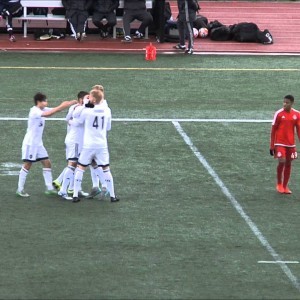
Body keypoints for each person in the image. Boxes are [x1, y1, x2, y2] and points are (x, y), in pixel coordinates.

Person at [16, 93, 78, 198]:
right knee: (27, 164)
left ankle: (49, 188)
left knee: (47, 163)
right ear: (39, 102)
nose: (46, 102)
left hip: (38, 144)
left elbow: (57, 109)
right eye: (45, 101)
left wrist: (71, 104)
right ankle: (20, 189)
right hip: (30, 144)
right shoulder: (34, 111)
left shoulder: (42, 109)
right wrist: (64, 106)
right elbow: (50, 113)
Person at [69, 89, 119, 203]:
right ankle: (113, 196)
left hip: (89, 145)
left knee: (80, 168)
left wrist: (85, 106)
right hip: (102, 145)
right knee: (106, 169)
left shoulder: (87, 111)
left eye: (90, 97)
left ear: (94, 99)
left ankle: (75, 195)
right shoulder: (107, 111)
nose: (88, 98)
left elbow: (78, 119)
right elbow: (108, 127)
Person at [53, 91, 90, 200]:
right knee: (73, 164)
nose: (88, 99)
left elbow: (67, 119)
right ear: (80, 99)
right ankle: (63, 191)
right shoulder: (79, 108)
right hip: (75, 140)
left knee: (79, 165)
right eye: (86, 98)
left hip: (76, 140)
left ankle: (73, 188)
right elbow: (73, 120)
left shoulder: (77, 108)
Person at [269, 95, 300, 194]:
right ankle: (279, 184)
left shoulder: (297, 114)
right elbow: (273, 130)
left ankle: (285, 186)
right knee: (282, 161)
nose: (284, 104)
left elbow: (299, 131)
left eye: (287, 103)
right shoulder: (278, 114)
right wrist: (272, 145)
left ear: (292, 103)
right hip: (280, 142)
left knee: (289, 162)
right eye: (284, 102)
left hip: (291, 144)